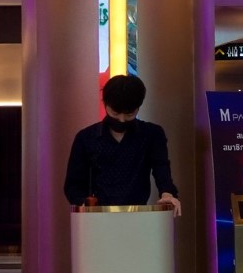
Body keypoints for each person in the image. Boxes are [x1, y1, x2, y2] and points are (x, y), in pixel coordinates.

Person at [63, 74, 182, 215]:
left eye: (129, 114)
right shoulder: (86, 137)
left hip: (138, 216)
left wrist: (167, 194)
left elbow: (161, 168)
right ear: (105, 104)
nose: (122, 119)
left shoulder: (152, 134)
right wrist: (83, 203)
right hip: (97, 218)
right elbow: (73, 185)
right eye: (115, 113)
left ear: (138, 108)